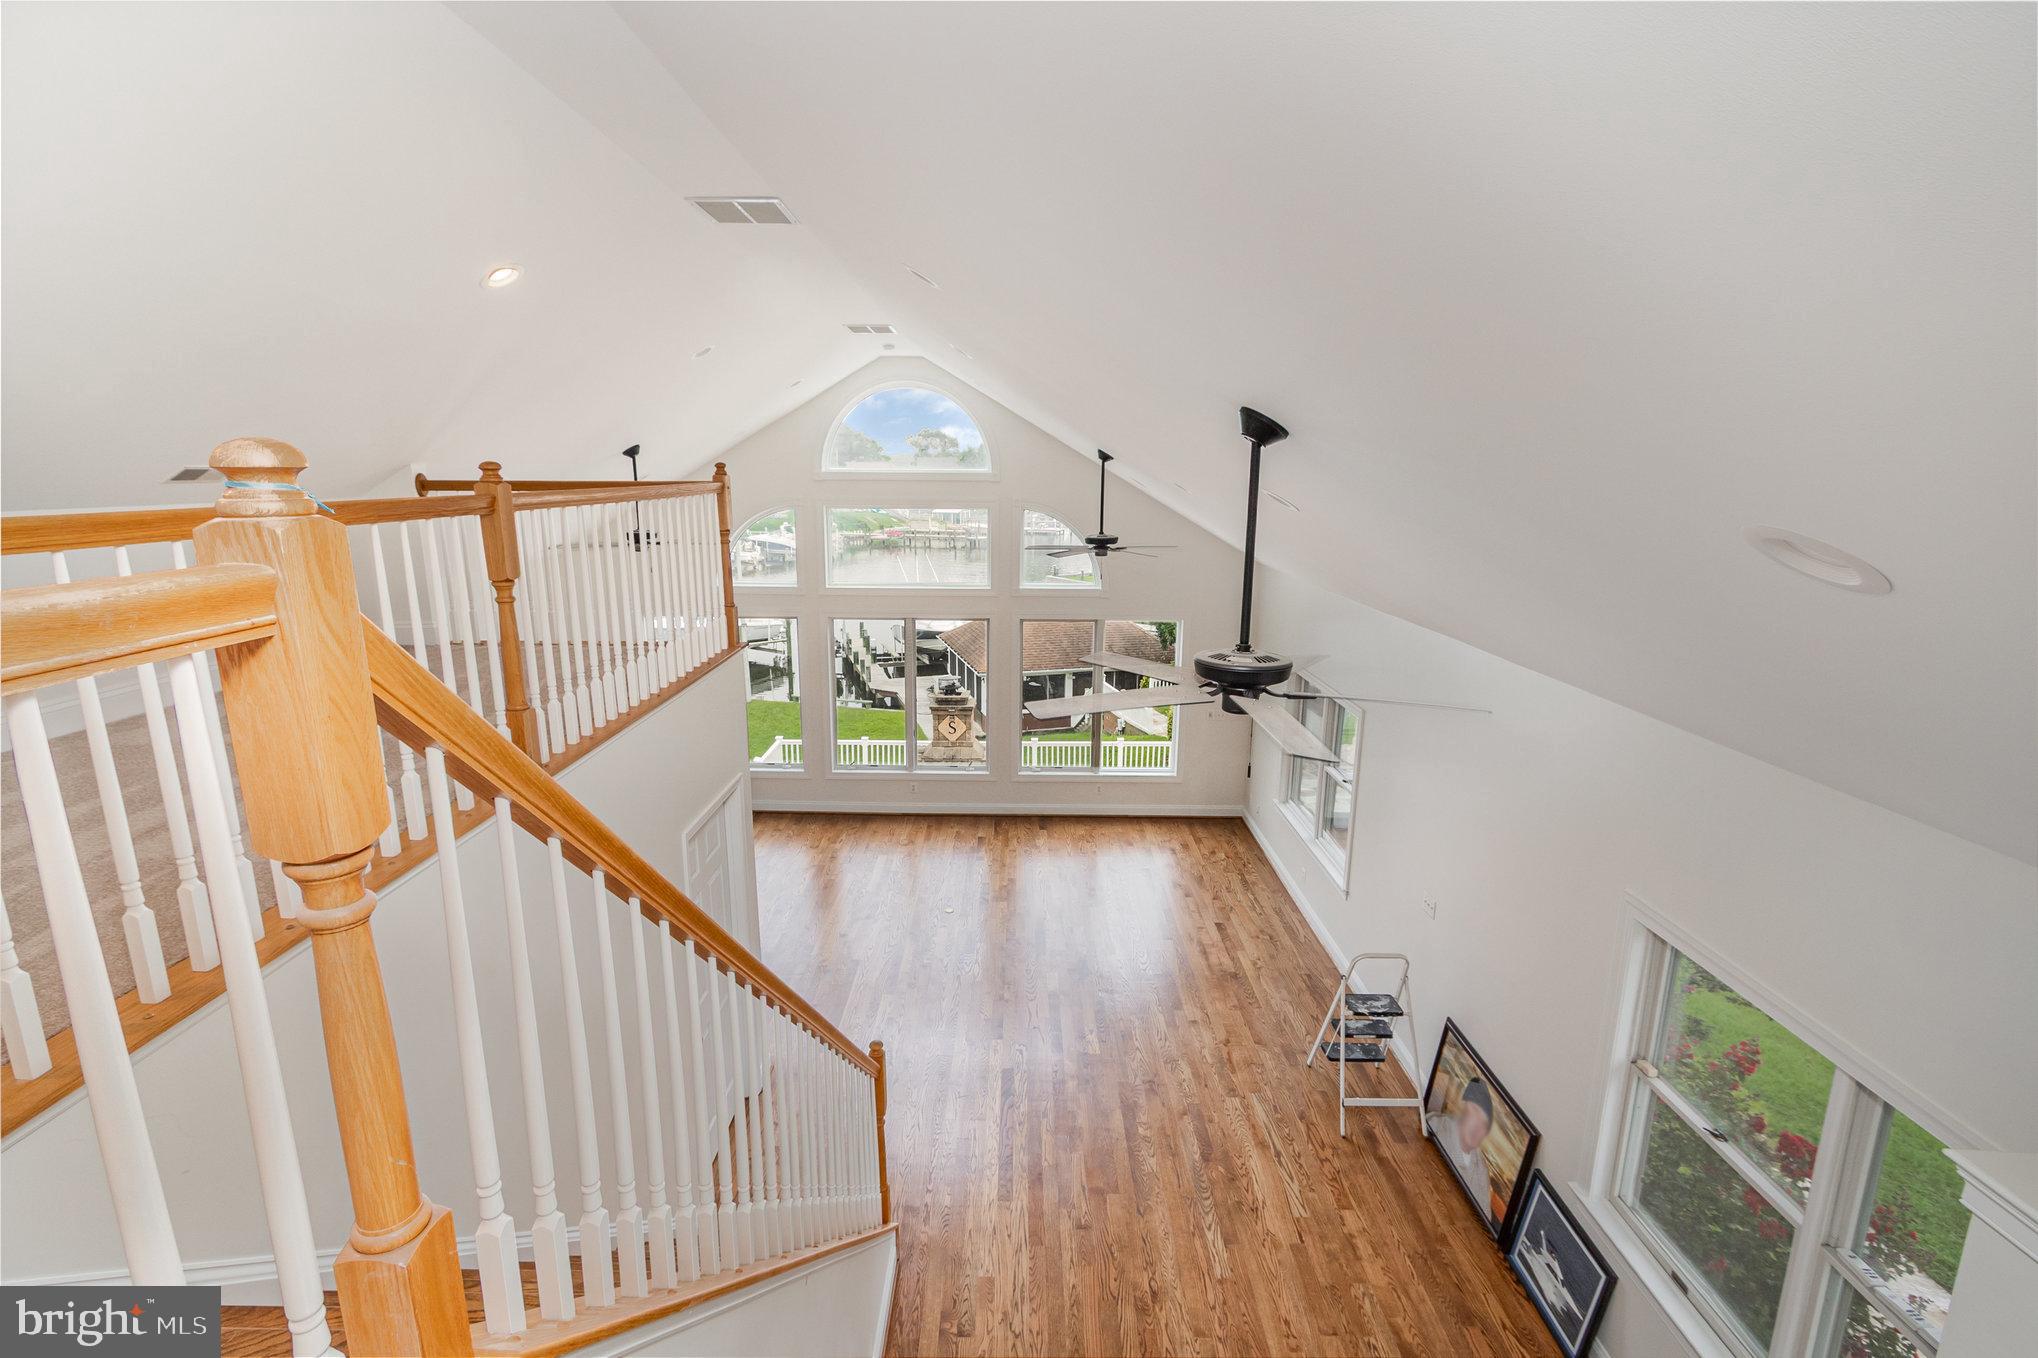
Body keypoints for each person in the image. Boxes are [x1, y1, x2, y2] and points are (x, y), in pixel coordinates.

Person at [1427, 1077, 1495, 1226]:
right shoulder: (1436, 1126)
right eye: (1476, 1113)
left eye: (1484, 1124)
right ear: (1465, 1107)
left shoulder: (1481, 1169)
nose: (1478, 1126)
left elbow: (1485, 1217)